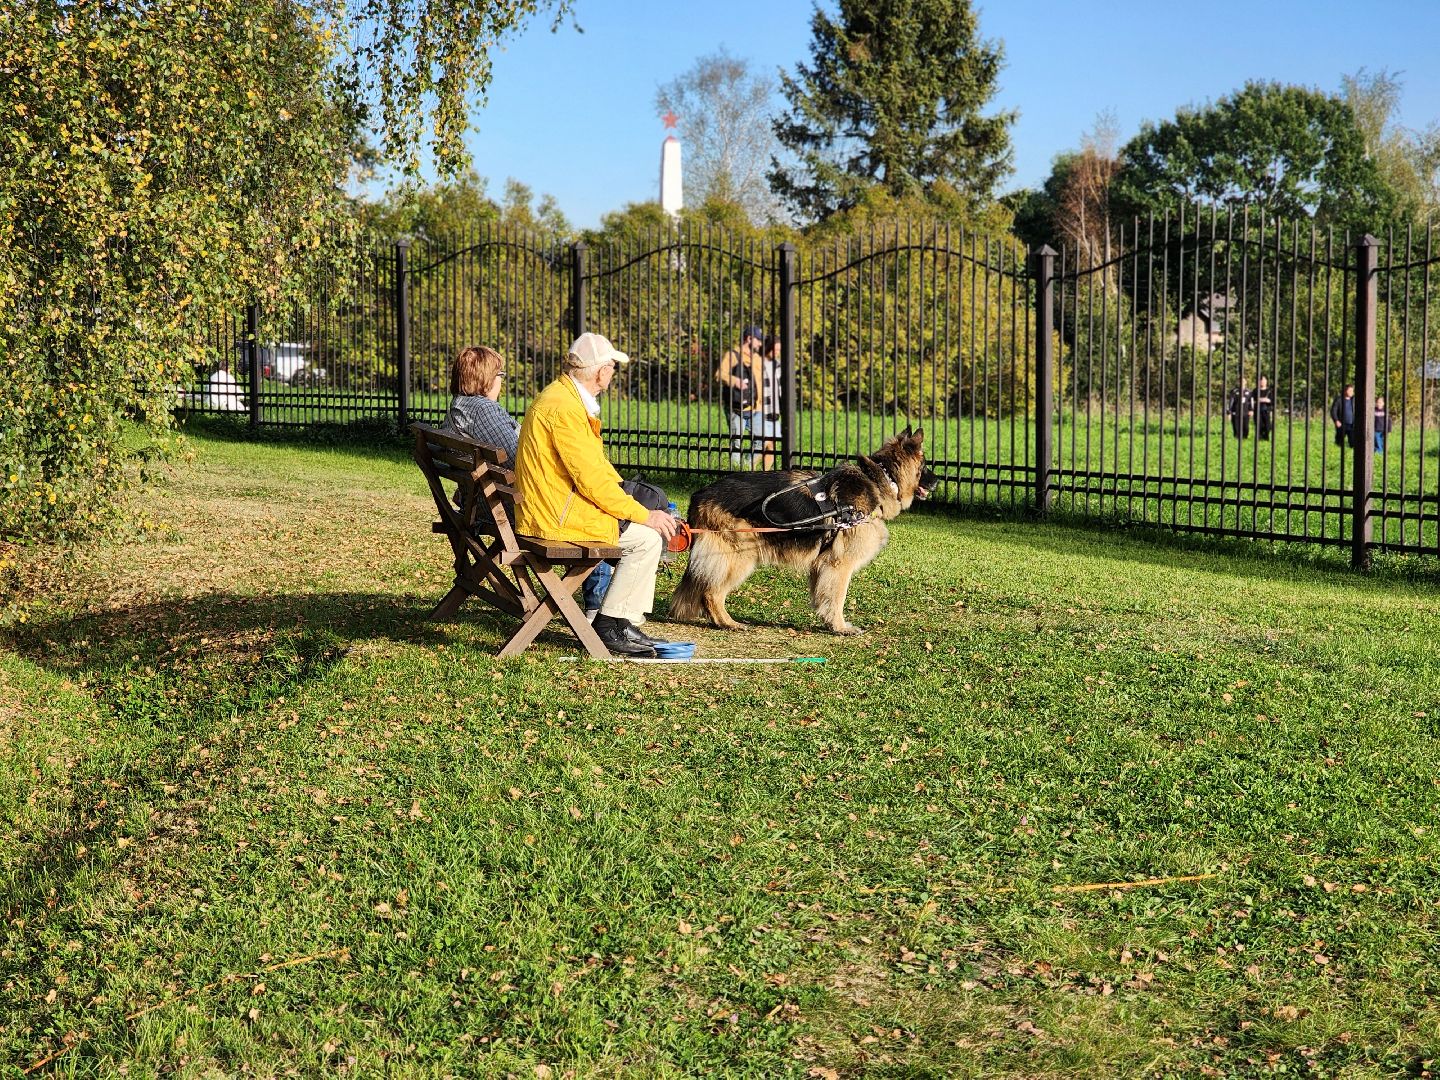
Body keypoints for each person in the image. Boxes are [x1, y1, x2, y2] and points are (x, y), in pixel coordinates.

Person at [515, 332, 678, 658]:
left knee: (645, 530)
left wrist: (627, 497)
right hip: (556, 518)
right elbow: (591, 481)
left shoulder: (563, 398)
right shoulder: (566, 410)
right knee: (646, 539)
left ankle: (622, 623)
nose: (613, 374)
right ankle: (613, 624)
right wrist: (644, 514)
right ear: (602, 371)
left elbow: (596, 469)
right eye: (612, 367)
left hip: (551, 507)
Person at [443, 345, 518, 455]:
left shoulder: (459, 404)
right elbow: (515, 458)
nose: (501, 380)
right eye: (500, 374)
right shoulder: (483, 409)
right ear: (487, 378)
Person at [715, 325, 765, 467]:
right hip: (736, 407)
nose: (760, 344)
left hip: (756, 408)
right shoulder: (733, 355)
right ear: (749, 339)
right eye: (758, 340)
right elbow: (719, 375)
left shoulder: (757, 358)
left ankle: (748, 469)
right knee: (737, 441)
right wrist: (735, 380)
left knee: (760, 440)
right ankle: (735, 472)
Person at [757, 333, 783, 470]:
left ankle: (765, 473)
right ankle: (749, 470)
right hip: (760, 409)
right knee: (761, 444)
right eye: (775, 350)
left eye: (779, 350)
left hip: (774, 410)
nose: (777, 353)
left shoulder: (777, 365)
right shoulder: (757, 363)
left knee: (772, 445)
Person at [1330, 383, 1355, 449]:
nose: (1351, 392)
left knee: (1353, 442)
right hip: (1341, 424)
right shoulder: (1339, 400)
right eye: (1350, 391)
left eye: (1352, 391)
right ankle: (1336, 452)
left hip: (1352, 424)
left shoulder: (1354, 400)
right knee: (1339, 442)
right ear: (1345, 391)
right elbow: (1333, 411)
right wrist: (1336, 420)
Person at [1253, 374, 1275, 441]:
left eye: (1264, 380)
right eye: (1261, 380)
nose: (1262, 381)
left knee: (1267, 426)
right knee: (1259, 425)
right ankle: (1259, 438)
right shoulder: (1255, 390)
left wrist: (1268, 400)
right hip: (1258, 411)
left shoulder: (1270, 391)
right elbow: (1253, 400)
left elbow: (1272, 401)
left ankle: (1266, 438)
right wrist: (1261, 400)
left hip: (1267, 411)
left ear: (1266, 381)